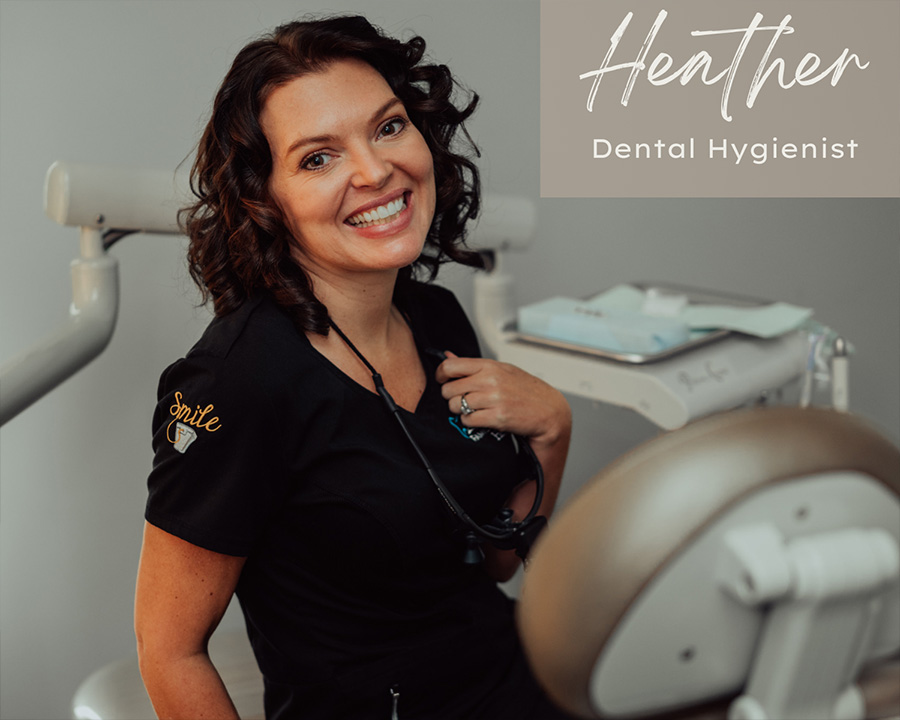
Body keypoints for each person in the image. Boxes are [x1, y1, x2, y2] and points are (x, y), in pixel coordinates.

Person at [134, 15, 573, 720]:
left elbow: (495, 560)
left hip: (511, 685)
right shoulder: (236, 384)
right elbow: (168, 651)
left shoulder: (435, 319)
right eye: (317, 158)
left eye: (388, 127)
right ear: (265, 201)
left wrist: (553, 433)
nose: (374, 171)